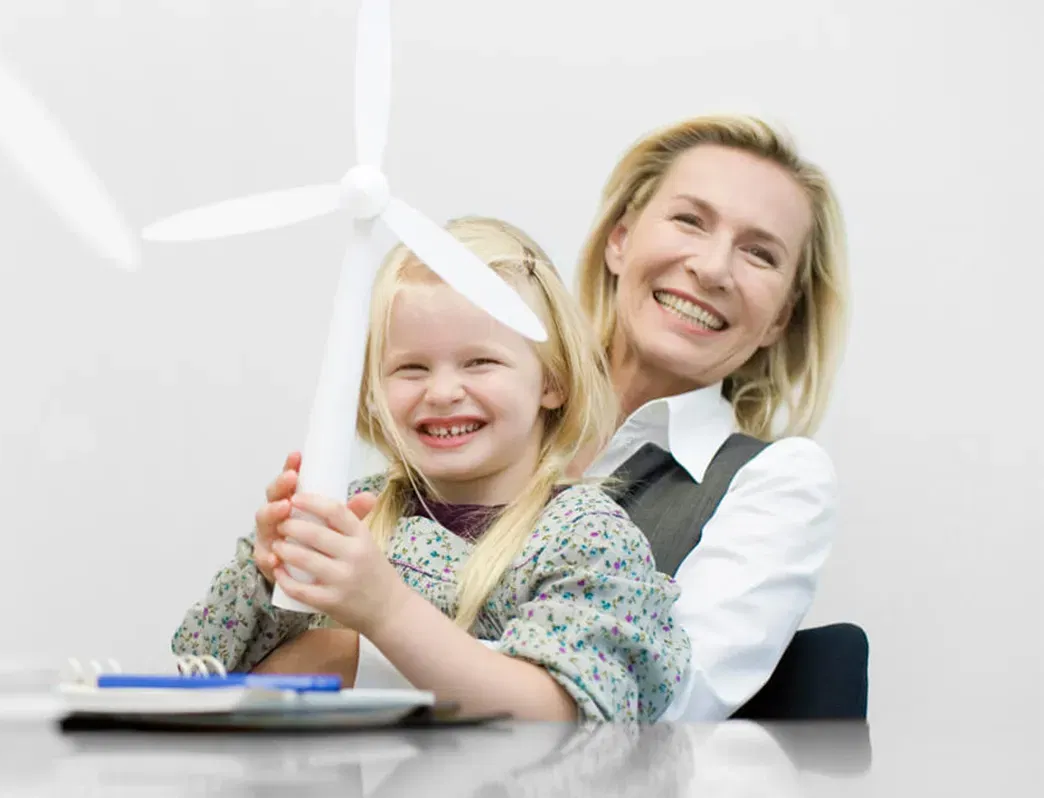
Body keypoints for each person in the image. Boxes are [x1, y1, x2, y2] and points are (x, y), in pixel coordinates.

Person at [255, 114, 849, 722]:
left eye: (759, 254)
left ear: (782, 317)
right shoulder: (469, 418)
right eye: (690, 220)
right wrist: (281, 585)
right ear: (620, 240)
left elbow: (662, 704)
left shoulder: (778, 480)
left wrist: (354, 655)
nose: (714, 268)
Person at [171, 217, 690, 722]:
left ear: (552, 381)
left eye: (480, 362)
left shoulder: (587, 537)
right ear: (373, 389)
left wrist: (386, 611)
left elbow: (565, 715)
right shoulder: (350, 517)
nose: (441, 392)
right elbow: (196, 672)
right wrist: (266, 578)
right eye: (411, 368)